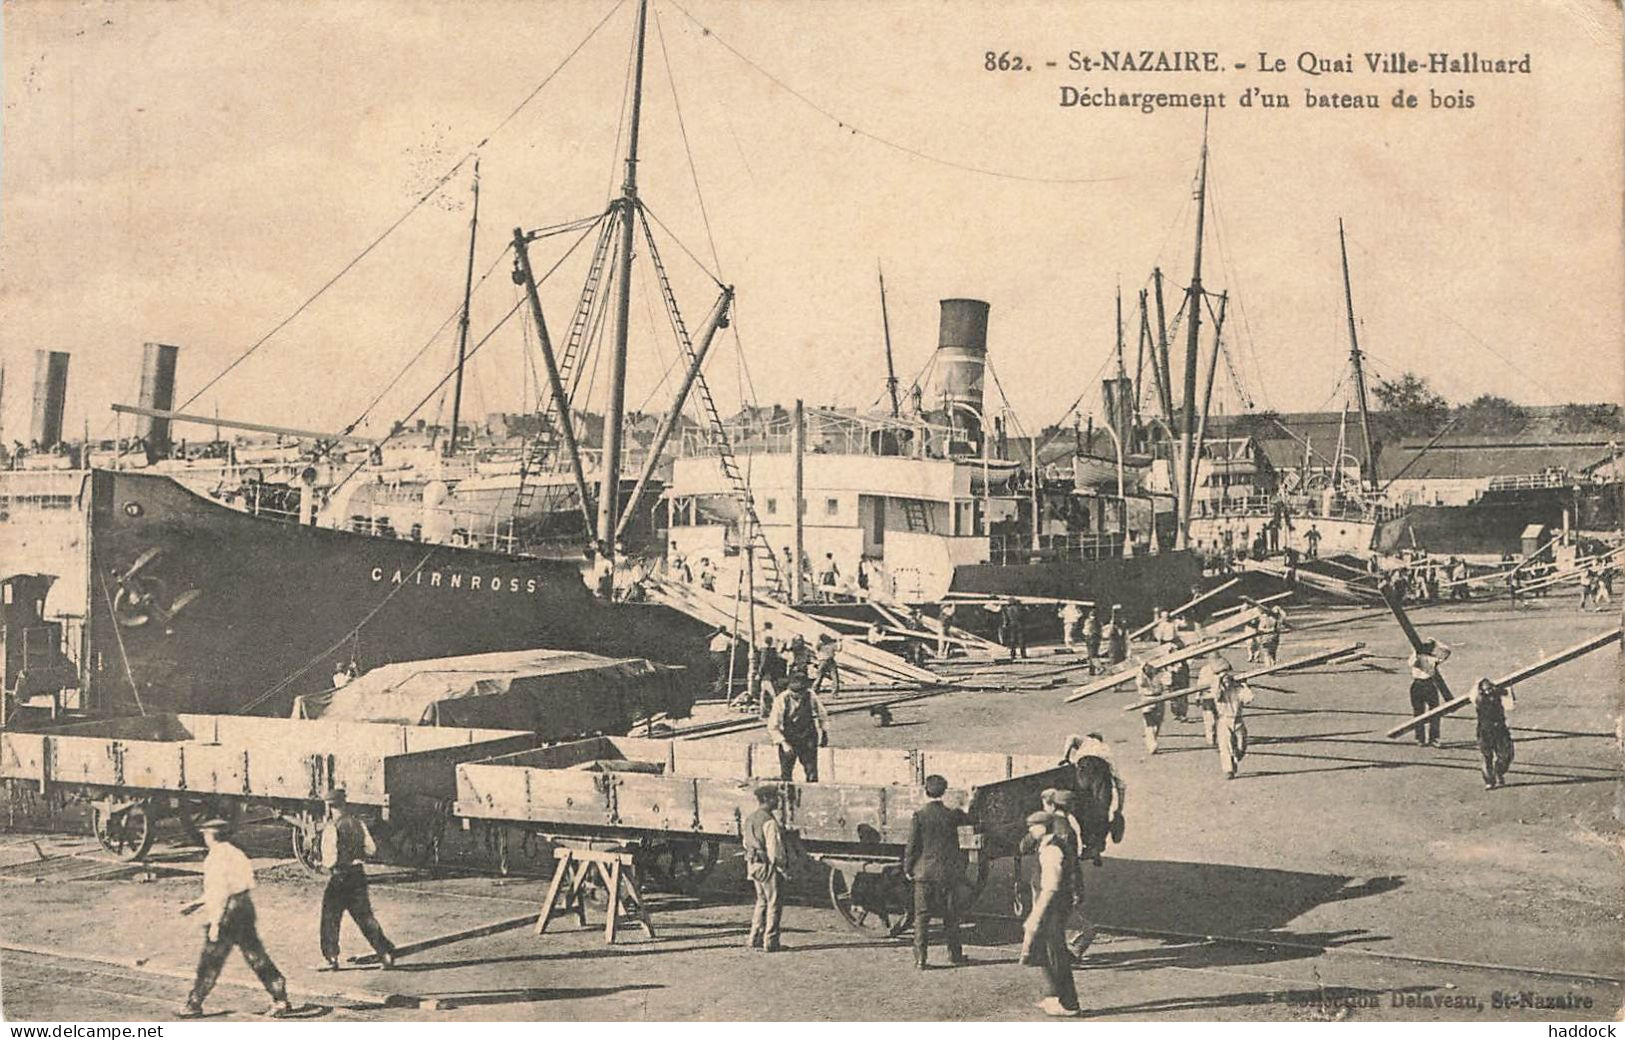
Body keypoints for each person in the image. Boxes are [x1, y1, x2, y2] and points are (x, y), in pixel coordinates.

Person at [180, 819, 293, 1018]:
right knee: (255, 955)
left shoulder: (214, 858)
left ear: (210, 836)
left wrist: (215, 923)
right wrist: (196, 904)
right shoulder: (236, 853)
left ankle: (194, 1003)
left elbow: (220, 892)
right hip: (244, 908)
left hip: (227, 913)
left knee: (211, 959)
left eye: (206, 834)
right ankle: (280, 996)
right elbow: (240, 884)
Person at [318, 790, 396, 971]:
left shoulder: (332, 827)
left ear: (329, 806)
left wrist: (325, 865)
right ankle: (385, 953)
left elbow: (330, 858)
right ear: (344, 804)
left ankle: (331, 958)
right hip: (358, 875)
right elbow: (371, 849)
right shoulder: (358, 823)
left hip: (340, 877)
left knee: (330, 918)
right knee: (365, 918)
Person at [904, 774, 969, 969]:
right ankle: (955, 955)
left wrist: (908, 868)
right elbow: (968, 816)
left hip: (925, 873)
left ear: (926, 792)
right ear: (944, 792)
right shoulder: (952, 815)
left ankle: (920, 959)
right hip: (948, 873)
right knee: (951, 915)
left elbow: (912, 846)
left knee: (921, 916)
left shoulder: (919, 816)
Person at [1020, 812, 1080, 1016]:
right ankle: (1054, 996)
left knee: (1056, 953)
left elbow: (1050, 887)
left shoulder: (1052, 850)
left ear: (1044, 827)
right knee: (1047, 951)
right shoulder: (1048, 845)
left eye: (1033, 826)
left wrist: (1035, 915)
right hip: (1053, 905)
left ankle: (1069, 1003)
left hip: (1052, 906)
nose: (1030, 830)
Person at [742, 786, 788, 952]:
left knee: (761, 901)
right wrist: (783, 868)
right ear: (768, 799)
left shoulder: (750, 819)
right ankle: (771, 941)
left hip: (753, 864)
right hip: (767, 866)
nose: (778, 801)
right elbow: (774, 850)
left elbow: (746, 843)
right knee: (774, 903)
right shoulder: (769, 822)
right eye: (775, 798)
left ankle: (754, 937)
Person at [767, 673, 828, 781]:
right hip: (789, 737)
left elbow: (822, 714)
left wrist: (824, 733)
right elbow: (773, 726)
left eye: (801, 692)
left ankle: (811, 793)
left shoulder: (810, 695)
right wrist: (784, 743)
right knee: (786, 772)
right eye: (795, 693)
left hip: (807, 735)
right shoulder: (781, 699)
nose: (799, 697)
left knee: (811, 770)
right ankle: (787, 795)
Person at [1470, 678, 1516, 790]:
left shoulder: (1498, 695)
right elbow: (1473, 693)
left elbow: (1510, 703)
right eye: (1486, 690)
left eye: (1490, 689)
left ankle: (1498, 771)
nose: (1488, 692)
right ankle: (1489, 781)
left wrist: (1504, 689)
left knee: (1507, 755)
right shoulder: (1478, 698)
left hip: (1500, 729)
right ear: (1481, 690)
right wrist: (1480, 682)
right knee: (1487, 756)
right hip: (1485, 731)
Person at [1407, 637, 1452, 747]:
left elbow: (1447, 652)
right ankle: (1420, 738)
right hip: (1418, 685)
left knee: (1435, 712)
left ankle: (1434, 738)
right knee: (1418, 712)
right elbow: (1411, 662)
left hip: (1429, 685)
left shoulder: (1432, 659)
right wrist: (1416, 652)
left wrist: (1437, 642)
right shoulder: (1416, 658)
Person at [1214, 670, 1255, 779]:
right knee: (1225, 746)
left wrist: (1245, 685)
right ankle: (1229, 770)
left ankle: (1236, 757)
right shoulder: (1219, 693)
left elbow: (1249, 698)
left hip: (1238, 720)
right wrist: (1219, 678)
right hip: (1224, 720)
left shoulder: (1238, 691)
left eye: (1228, 681)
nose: (1226, 684)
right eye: (1224, 682)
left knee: (1241, 745)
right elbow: (1216, 693)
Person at [1134, 662, 1167, 755]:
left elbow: (1167, 682)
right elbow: (1140, 682)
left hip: (1159, 698)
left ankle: (1152, 741)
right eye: (1147, 668)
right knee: (1149, 723)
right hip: (1147, 699)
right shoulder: (1141, 677)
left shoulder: (1158, 675)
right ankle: (1152, 745)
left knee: (1158, 723)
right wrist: (1141, 669)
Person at [708, 627, 734, 698]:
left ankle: (714, 688)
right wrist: (737, 637)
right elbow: (735, 643)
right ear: (724, 630)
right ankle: (718, 691)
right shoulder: (725, 638)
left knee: (716, 673)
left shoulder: (714, 637)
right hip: (720, 655)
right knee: (722, 673)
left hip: (712, 654)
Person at [1080, 608, 1101, 674]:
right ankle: (1093, 669)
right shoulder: (1098, 622)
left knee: (1092, 655)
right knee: (1093, 654)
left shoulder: (1089, 621)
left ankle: (1097, 668)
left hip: (1090, 638)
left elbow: (1085, 631)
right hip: (1095, 639)